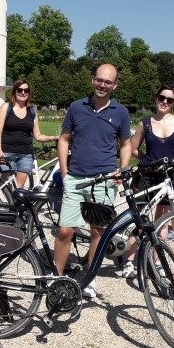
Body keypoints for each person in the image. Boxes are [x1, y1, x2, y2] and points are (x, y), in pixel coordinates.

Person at [53, 63, 132, 298]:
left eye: (108, 81)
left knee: (98, 231)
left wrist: (123, 168)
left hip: (104, 180)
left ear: (115, 85)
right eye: (99, 80)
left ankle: (89, 277)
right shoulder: (77, 107)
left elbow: (126, 144)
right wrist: (65, 171)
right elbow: (64, 139)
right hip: (76, 178)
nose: (102, 84)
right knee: (65, 230)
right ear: (93, 80)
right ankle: (57, 278)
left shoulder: (121, 112)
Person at [123, 84, 174, 278]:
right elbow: (134, 148)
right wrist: (148, 161)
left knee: (162, 221)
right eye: (162, 98)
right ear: (156, 98)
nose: (165, 102)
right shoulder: (145, 123)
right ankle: (130, 259)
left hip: (169, 176)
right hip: (147, 175)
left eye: (169, 100)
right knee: (140, 217)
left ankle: (156, 260)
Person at [0, 78, 59, 188]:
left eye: (26, 90)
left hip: (25, 154)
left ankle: (17, 205)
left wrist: (54, 137)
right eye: (19, 90)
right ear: (14, 91)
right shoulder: (6, 108)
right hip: (7, 153)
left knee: (19, 188)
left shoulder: (32, 111)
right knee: (8, 186)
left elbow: (37, 135)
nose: (23, 93)